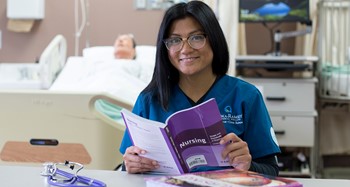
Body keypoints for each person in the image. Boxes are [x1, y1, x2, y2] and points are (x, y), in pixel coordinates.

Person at [119, 1, 281, 176]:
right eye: (175, 40)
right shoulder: (149, 100)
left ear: (214, 40)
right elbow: (125, 170)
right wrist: (130, 165)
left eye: (196, 37)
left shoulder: (246, 97)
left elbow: (271, 171)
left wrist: (248, 165)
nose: (185, 49)